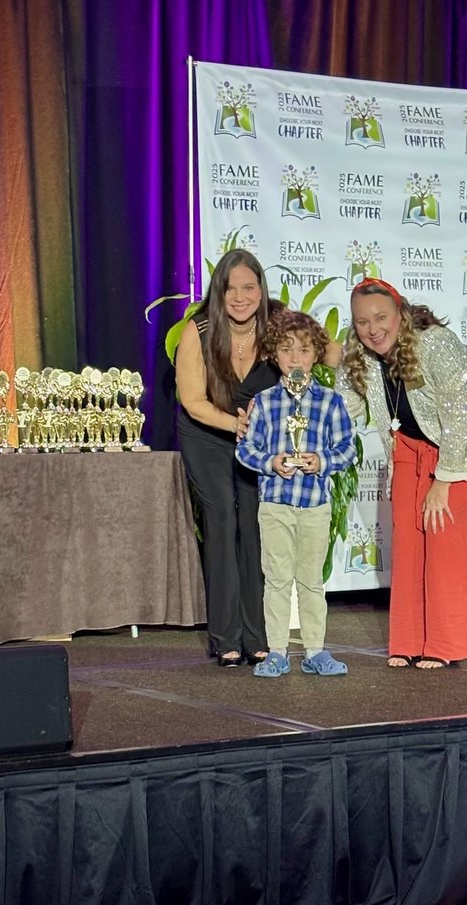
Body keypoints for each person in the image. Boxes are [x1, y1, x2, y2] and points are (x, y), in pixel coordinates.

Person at [336, 277, 467, 670]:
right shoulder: (361, 356)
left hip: (460, 451)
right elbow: (342, 408)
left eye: (380, 318)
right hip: (406, 449)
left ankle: (446, 643)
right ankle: (407, 640)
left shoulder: (435, 343)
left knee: (443, 538)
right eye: (362, 322)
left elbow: (462, 414)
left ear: (400, 314)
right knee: (407, 540)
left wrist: (444, 479)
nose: (372, 329)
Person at [236, 310, 356, 678]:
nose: (295, 358)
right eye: (286, 350)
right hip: (274, 504)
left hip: (315, 505)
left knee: (311, 581)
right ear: (274, 354)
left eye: (304, 350)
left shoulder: (331, 402)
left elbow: (347, 450)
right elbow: (245, 449)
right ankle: (277, 651)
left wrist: (322, 461)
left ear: (316, 355)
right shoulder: (265, 402)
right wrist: (271, 462)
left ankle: (315, 651)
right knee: (276, 580)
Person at [175, 249, 279, 667]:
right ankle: (225, 638)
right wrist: (234, 424)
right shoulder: (198, 330)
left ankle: (257, 636)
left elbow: (319, 353)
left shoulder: (278, 325)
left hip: (258, 442)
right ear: (218, 291)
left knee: (253, 526)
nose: (239, 297)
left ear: (261, 290)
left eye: (248, 287)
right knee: (222, 520)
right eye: (230, 288)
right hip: (207, 434)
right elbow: (192, 400)